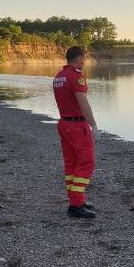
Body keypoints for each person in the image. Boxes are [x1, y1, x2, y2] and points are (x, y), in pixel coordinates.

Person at [53, 46, 98, 219]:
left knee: (71, 163)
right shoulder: (77, 77)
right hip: (77, 126)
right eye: (84, 59)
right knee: (86, 162)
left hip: (64, 123)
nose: (85, 62)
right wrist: (93, 125)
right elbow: (83, 103)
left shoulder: (59, 77)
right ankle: (76, 204)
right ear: (79, 59)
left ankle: (75, 199)